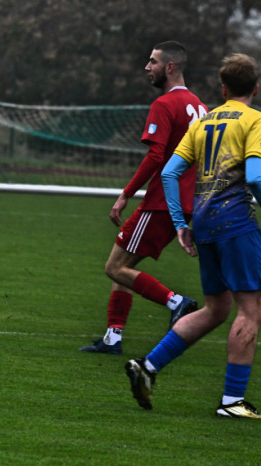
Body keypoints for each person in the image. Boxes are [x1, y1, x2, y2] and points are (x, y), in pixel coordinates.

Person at [124, 53, 261, 420]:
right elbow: (256, 177)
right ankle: (232, 402)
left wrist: (181, 224)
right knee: (252, 309)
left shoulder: (205, 120)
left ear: (223, 88)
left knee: (216, 308)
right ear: (256, 88)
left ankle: (148, 367)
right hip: (236, 223)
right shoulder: (255, 120)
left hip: (203, 224)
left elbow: (169, 174)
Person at [80, 41, 207, 355]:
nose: (146, 67)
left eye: (152, 61)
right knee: (125, 265)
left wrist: (124, 195)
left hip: (161, 202)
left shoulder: (164, 105)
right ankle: (113, 337)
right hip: (187, 203)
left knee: (114, 267)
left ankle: (177, 302)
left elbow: (155, 156)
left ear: (170, 67)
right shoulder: (201, 107)